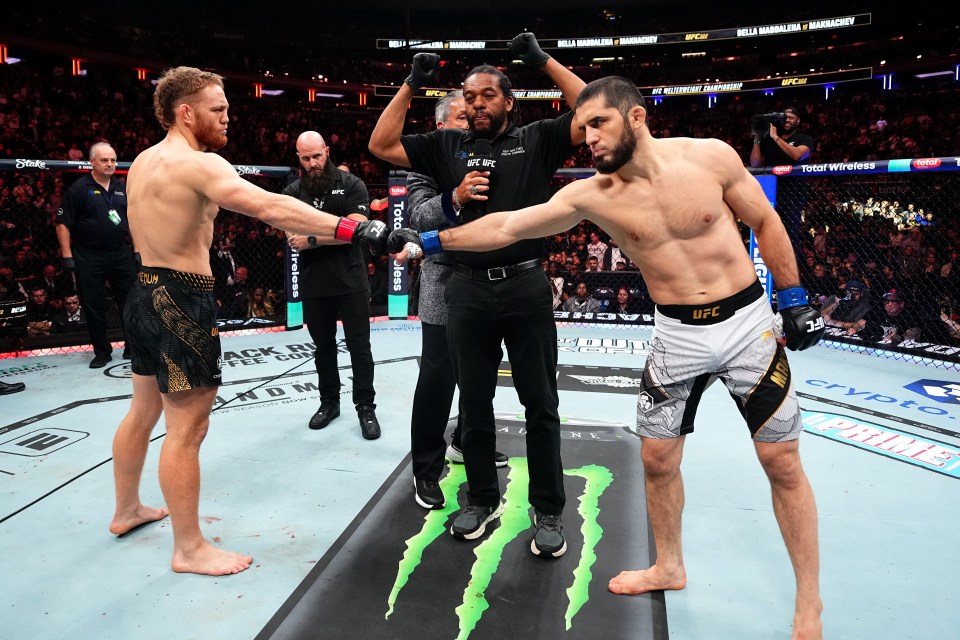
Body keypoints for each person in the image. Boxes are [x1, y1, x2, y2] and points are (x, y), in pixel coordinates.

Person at [388, 76, 825, 639]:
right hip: (676, 336)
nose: (587, 137)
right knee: (657, 460)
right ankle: (669, 565)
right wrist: (428, 242)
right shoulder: (591, 194)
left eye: (600, 124)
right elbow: (504, 225)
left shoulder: (710, 157)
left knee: (782, 463)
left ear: (636, 118)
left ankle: (809, 603)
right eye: (584, 126)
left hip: (746, 327)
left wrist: (792, 298)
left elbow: (765, 220)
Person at [113, 66, 386, 576]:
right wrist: (358, 227)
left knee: (142, 410)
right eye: (217, 110)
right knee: (187, 428)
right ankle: (189, 548)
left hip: (144, 289)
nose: (227, 118)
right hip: (180, 297)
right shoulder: (198, 163)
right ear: (186, 112)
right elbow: (268, 205)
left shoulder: (146, 161)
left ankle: (126, 509)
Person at [369, 33, 586, 556]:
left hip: (526, 286)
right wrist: (411, 84)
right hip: (465, 290)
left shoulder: (537, 137)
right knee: (476, 403)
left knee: (541, 403)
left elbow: (595, 109)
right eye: (469, 96)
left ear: (509, 101)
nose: (476, 104)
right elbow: (380, 145)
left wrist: (541, 60)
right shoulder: (447, 145)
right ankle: (481, 499)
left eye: (487, 95)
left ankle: (549, 508)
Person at [404, 90, 507, 510]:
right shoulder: (425, 161)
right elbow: (420, 217)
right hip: (445, 280)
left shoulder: (491, 155)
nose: (472, 124)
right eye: (464, 118)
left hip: (489, 282)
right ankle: (425, 469)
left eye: (475, 118)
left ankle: (464, 442)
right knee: (437, 378)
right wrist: (457, 197)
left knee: (480, 374)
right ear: (442, 125)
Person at [284, 130, 382, 440]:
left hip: (351, 279)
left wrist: (313, 237)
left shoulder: (351, 184)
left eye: (317, 156)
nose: (313, 163)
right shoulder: (291, 193)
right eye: (306, 158)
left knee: (359, 347)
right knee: (323, 348)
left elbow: (356, 230)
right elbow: (292, 239)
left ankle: (366, 407)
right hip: (315, 284)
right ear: (298, 159)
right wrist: (334, 234)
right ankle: (329, 403)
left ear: (327, 151)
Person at [56, 142, 138, 368]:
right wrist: (67, 256)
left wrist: (137, 250)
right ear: (91, 162)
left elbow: (132, 221)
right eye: (104, 160)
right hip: (89, 255)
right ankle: (102, 352)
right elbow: (63, 223)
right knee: (93, 304)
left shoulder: (121, 187)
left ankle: (133, 347)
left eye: (113, 159)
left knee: (131, 301)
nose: (110, 164)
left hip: (121, 253)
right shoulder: (79, 188)